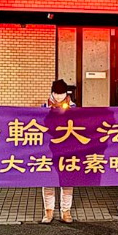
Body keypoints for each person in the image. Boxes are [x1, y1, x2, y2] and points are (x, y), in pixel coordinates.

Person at [41, 79, 75, 224]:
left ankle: (65, 212)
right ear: (52, 92)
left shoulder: (74, 108)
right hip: (48, 150)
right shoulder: (44, 107)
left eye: (61, 93)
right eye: (56, 93)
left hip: (68, 150)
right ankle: (48, 212)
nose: (59, 96)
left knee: (67, 181)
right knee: (48, 180)